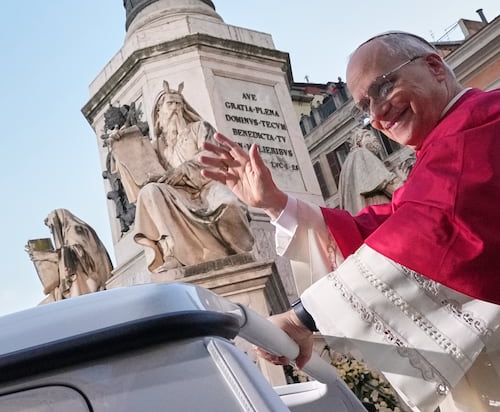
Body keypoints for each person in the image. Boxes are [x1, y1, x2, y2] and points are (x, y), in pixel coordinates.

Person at [199, 32, 500, 412]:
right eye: (364, 105)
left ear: (435, 67)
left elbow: (430, 232)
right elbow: (383, 229)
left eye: (384, 86)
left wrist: (301, 317)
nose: (376, 114)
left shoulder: (482, 123)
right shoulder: (440, 148)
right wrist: (276, 203)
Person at [109, 81, 254, 272]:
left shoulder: (200, 128)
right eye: (170, 104)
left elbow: (214, 156)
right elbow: (140, 170)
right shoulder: (156, 146)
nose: (176, 109)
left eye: (178, 104)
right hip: (177, 194)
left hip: (207, 186)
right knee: (149, 192)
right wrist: (121, 146)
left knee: (229, 204)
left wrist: (183, 170)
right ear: (159, 113)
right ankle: (172, 252)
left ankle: (239, 253)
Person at [27, 209, 113, 301]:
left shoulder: (75, 230)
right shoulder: (74, 230)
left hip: (92, 279)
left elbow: (76, 255)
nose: (52, 232)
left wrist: (45, 256)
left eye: (52, 227)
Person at [338, 126, 401, 214]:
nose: (374, 138)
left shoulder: (348, 165)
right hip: (380, 211)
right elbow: (385, 182)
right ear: (358, 142)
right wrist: (408, 194)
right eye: (368, 135)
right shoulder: (361, 153)